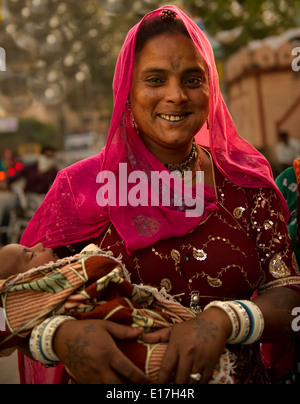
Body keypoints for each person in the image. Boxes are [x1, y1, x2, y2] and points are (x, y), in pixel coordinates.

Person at [18, 6, 300, 384]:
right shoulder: (79, 188)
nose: (176, 95)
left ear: (210, 87)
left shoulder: (247, 185)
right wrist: (56, 338)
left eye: (192, 79)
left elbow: (290, 296)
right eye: (155, 79)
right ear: (128, 91)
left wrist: (226, 320)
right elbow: (15, 302)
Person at [0, 243, 236, 384]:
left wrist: (224, 318)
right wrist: (54, 334)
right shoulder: (72, 189)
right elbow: (9, 314)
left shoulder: (241, 178)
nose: (41, 245)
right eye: (30, 253)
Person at [0, 146, 58, 245]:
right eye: (46, 155)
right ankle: (3, 238)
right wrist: (6, 183)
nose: (48, 159)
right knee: (8, 207)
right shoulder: (31, 167)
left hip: (41, 201)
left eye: (50, 156)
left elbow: (58, 185)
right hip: (25, 198)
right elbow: (16, 176)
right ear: (41, 155)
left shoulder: (53, 171)